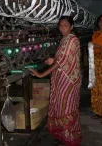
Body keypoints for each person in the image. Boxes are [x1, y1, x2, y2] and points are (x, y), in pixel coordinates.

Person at [29, 16, 82, 146]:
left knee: (66, 108)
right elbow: (63, 58)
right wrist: (53, 60)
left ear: (71, 27)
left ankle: (70, 138)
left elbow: (62, 62)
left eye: (65, 25)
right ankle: (64, 136)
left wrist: (41, 74)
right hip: (62, 79)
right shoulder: (65, 39)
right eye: (60, 25)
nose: (62, 28)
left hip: (69, 81)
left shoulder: (72, 40)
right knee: (60, 107)